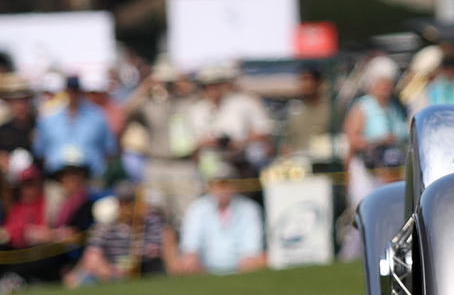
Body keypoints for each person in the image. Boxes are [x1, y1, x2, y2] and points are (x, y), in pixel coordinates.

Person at [123, 57, 202, 228]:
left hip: (182, 163)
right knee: (156, 213)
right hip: (155, 163)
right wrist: (146, 86)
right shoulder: (149, 104)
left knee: (188, 212)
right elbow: (126, 111)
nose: (167, 84)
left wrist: (185, 84)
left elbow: (205, 102)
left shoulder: (187, 102)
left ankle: (185, 252)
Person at [64, 181, 171, 287]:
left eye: (131, 201)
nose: (127, 206)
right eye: (123, 201)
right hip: (111, 273)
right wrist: (104, 267)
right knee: (85, 280)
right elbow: (92, 255)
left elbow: (154, 250)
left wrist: (132, 262)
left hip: (145, 270)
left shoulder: (150, 222)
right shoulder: (105, 225)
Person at [169, 163, 266, 275]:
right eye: (219, 185)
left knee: (260, 260)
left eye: (227, 184)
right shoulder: (197, 208)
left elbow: (252, 248)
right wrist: (191, 258)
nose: (223, 190)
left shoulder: (250, 209)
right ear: (210, 186)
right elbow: (191, 245)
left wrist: (249, 261)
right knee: (185, 262)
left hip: (241, 267)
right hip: (204, 268)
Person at [344, 56, 409, 213]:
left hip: (393, 172)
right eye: (382, 83)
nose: (386, 87)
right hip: (368, 171)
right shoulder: (362, 107)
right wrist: (378, 142)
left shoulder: (396, 107)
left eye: (388, 83)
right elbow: (352, 139)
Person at [190, 63, 274, 180]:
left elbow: (265, 132)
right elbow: (191, 145)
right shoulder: (197, 110)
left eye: (216, 85)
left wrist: (241, 142)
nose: (213, 90)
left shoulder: (243, 103)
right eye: (208, 86)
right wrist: (207, 143)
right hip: (210, 166)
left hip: (242, 163)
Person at [33, 75, 117, 180]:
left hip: (89, 178)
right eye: (70, 90)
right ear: (65, 91)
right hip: (57, 177)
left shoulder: (98, 116)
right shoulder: (49, 116)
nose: (73, 95)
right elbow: (40, 151)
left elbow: (109, 150)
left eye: (76, 91)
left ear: (81, 91)